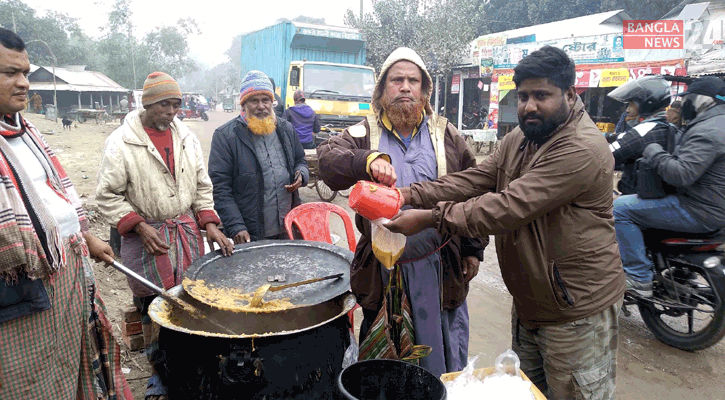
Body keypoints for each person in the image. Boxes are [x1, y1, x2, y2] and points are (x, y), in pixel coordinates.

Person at [384, 46, 624, 399]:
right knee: (527, 393)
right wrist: (408, 194)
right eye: (523, 95)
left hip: (577, 311)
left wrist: (430, 218)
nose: (529, 106)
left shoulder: (580, 148)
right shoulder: (524, 136)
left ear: (571, 94)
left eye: (542, 95)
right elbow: (476, 178)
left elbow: (505, 207)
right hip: (532, 303)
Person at [317, 47, 487, 378]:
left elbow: (475, 189)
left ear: (425, 92)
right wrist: (366, 160)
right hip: (382, 270)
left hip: (439, 265)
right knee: (387, 357)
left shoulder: (446, 134)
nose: (405, 87)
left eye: (413, 81)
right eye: (397, 80)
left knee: (440, 351)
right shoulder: (363, 133)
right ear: (382, 91)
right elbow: (327, 160)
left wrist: (472, 248)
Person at [0, 27, 132, 399]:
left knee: (70, 363)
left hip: (68, 275)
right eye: (10, 73)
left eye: (26, 72)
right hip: (20, 292)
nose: (24, 83)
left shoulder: (25, 132)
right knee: (27, 380)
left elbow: (54, 194)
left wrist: (85, 236)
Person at [96, 71, 233, 400]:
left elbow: (202, 186)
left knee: (187, 300)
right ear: (147, 104)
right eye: (164, 105)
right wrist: (139, 226)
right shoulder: (121, 142)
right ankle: (158, 373)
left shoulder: (185, 137)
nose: (171, 112)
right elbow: (107, 196)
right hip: (147, 235)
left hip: (183, 232)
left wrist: (209, 223)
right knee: (152, 304)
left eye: (175, 105)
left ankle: (190, 363)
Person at [613, 76, 725, 297]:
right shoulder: (715, 123)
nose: (683, 105)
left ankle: (638, 276)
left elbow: (681, 175)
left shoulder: (708, 130)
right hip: (713, 204)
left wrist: (654, 151)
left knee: (621, 209)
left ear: (702, 100)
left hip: (700, 209)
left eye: (688, 99)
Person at [209, 70, 309, 243]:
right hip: (250, 231)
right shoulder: (225, 136)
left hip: (288, 226)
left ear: (272, 102)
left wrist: (301, 173)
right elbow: (221, 188)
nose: (261, 106)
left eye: (266, 100)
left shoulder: (286, 129)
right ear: (244, 104)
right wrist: (236, 226)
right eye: (254, 101)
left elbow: (300, 160)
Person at [607, 75, 677, 195]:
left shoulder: (644, 130)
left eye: (631, 105)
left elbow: (605, 156)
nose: (627, 110)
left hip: (638, 200)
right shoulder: (664, 127)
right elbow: (622, 138)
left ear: (645, 105)